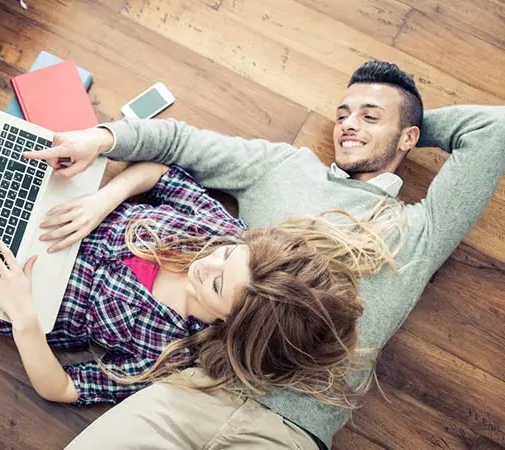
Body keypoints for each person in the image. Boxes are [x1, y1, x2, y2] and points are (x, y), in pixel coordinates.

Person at [0, 74, 393, 412]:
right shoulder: (220, 234)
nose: (207, 261)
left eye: (215, 282)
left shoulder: (173, 357)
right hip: (17, 184)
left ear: (229, 325)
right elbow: (161, 173)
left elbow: (62, 387)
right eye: (224, 255)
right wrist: (102, 200)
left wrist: (24, 316)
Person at [27, 60, 505, 450]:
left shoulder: (418, 231)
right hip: (197, 387)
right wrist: (103, 139)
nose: (349, 125)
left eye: (369, 116)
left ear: (407, 138)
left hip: (289, 432)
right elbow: (181, 143)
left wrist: (412, 122)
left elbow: (493, 129)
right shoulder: (284, 168)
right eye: (342, 114)